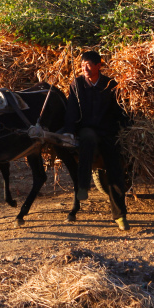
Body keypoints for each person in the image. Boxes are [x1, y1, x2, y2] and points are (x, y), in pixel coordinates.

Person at [62, 50, 131, 231]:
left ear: (98, 66)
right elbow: (71, 111)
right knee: (87, 139)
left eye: (89, 64)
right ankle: (83, 186)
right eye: (82, 64)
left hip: (108, 131)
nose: (84, 68)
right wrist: (69, 132)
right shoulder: (77, 84)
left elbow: (119, 110)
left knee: (115, 168)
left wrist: (126, 125)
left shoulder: (110, 84)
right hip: (87, 129)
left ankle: (120, 215)